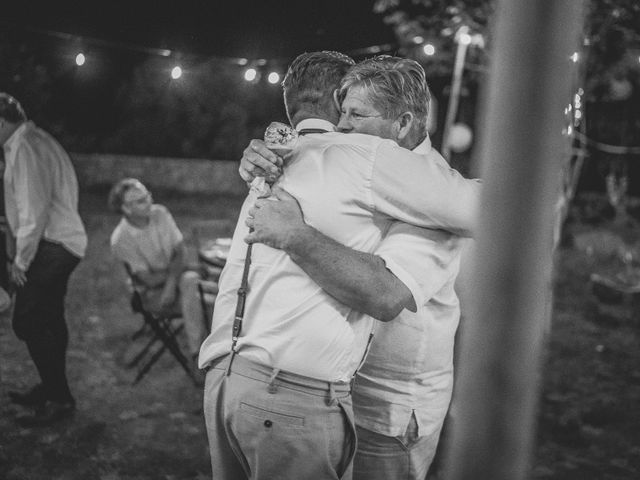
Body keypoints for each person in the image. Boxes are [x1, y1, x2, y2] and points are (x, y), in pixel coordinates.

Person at [198, 51, 480, 480]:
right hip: (323, 391)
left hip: (390, 405)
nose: (342, 126)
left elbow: (386, 295)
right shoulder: (350, 161)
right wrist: (262, 163)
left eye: (355, 115)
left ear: (402, 123)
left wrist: (296, 234)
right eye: (341, 112)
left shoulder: (431, 190)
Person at [1, 93, 87, 426]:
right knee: (49, 318)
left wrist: (19, 263)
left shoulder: (24, 148)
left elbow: (32, 212)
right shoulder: (38, 139)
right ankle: (53, 389)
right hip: (63, 241)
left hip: (50, 244)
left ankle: (59, 397)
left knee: (27, 320)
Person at [108, 178, 209, 364]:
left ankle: (198, 353)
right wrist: (179, 270)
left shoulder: (160, 213)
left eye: (147, 196)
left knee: (191, 281)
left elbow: (180, 251)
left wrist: (171, 282)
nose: (148, 202)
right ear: (125, 209)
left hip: (176, 282)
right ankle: (202, 352)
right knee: (205, 298)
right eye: (140, 200)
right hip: (151, 295)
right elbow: (149, 280)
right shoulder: (121, 239)